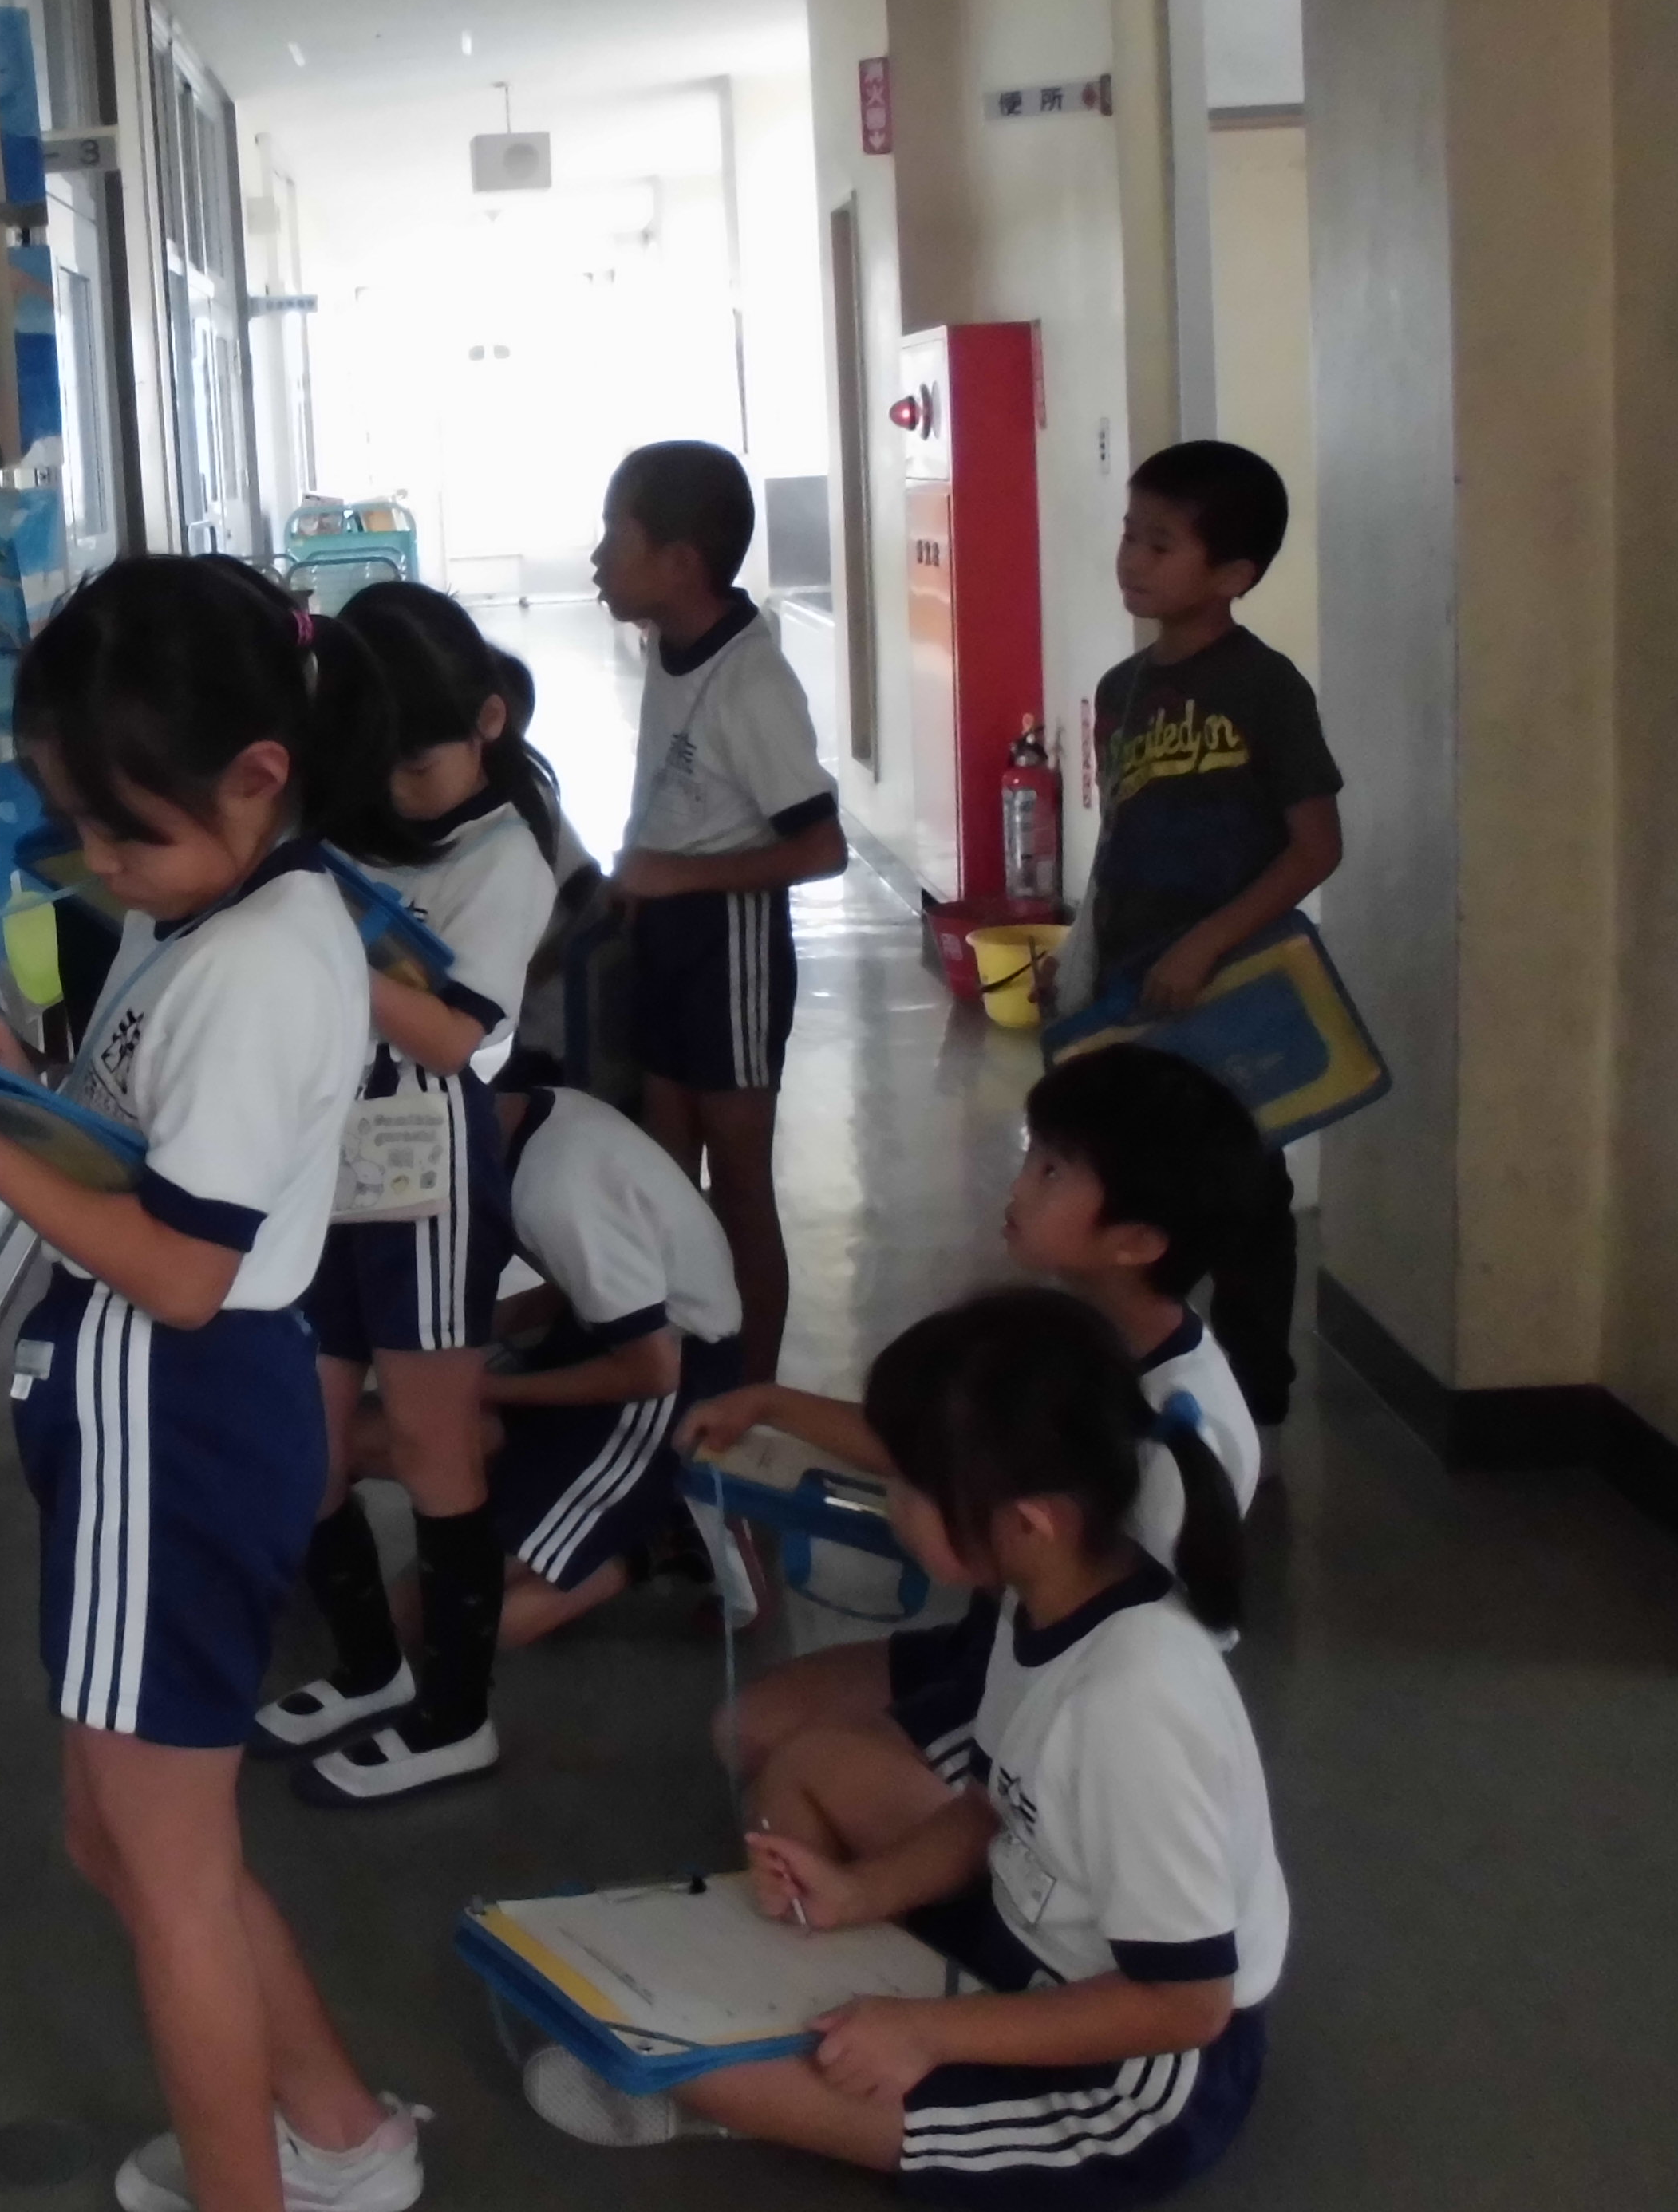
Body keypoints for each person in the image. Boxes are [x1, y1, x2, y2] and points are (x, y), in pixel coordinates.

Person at [0, 558, 427, 2212]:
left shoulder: (258, 961)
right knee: (114, 1835)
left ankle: (259, 2186)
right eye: (80, 828)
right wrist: (29, 1087)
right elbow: (163, 1144)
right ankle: (339, 2133)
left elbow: (184, 1268)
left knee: (165, 1868)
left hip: (174, 1408)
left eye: (128, 833)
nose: (104, 866)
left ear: (261, 775)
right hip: (162, 1407)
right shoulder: (215, 915)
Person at [520, 1291, 1284, 2202]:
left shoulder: (1135, 1704)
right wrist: (861, 1893)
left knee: (686, 2061)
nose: (895, 1506)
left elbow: (1186, 2004)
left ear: (1028, 1521)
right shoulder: (1045, 1598)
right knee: (805, 1771)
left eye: (912, 1488)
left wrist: (927, 2032)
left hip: (1134, 2074)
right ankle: (832, 2059)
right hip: (1029, 1937)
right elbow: (988, 1809)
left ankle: (751, 2098)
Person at [680, 1043, 1270, 1788]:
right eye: (1033, 1156)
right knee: (747, 1733)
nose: (1017, 1185)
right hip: (998, 1645)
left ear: (1138, 1242)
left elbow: (1143, 1657)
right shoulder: (1068, 1327)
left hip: (1062, 1710)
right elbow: (946, 1444)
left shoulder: (1183, 1427)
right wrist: (771, 1405)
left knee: (797, 1779)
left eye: (1052, 1171)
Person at [256, 583, 559, 1807]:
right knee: (309, 1450)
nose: (397, 787)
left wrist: (317, 937)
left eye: (418, 763)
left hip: (425, 1173)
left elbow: (453, 1038)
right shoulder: (346, 824)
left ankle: (456, 1714)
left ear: (487, 722)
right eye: (376, 763)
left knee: (435, 1446)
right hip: (319, 1168)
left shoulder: (505, 857)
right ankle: (372, 1669)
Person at [1074, 439, 1344, 1423]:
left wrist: (1208, 943)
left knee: (1245, 1196)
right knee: (1141, 1188)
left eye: (1161, 543)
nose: (1133, 559)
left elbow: (1316, 847)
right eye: (1130, 535)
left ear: (1233, 575)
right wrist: (1089, 958)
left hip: (1237, 988)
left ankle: (1252, 1403)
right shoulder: (1120, 691)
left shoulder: (1266, 688)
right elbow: (1122, 840)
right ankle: (1151, 1380)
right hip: (1138, 988)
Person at [590, 442, 846, 1386]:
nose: (596, 558)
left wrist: (676, 877)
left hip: (727, 947)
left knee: (739, 1191)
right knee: (666, 1177)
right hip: (663, 936)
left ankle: (754, 1399)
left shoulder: (753, 683)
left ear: (679, 563)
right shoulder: (668, 645)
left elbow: (823, 849)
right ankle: (686, 1373)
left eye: (614, 536)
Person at [476, 1076, 746, 1646]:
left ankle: (659, 1538)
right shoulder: (542, 1114)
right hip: (609, 1338)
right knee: (460, 1573)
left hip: (674, 1371)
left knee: (479, 1626)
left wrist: (483, 1387)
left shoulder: (555, 1190)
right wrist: (479, 1331)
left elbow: (652, 1372)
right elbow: (583, 1280)